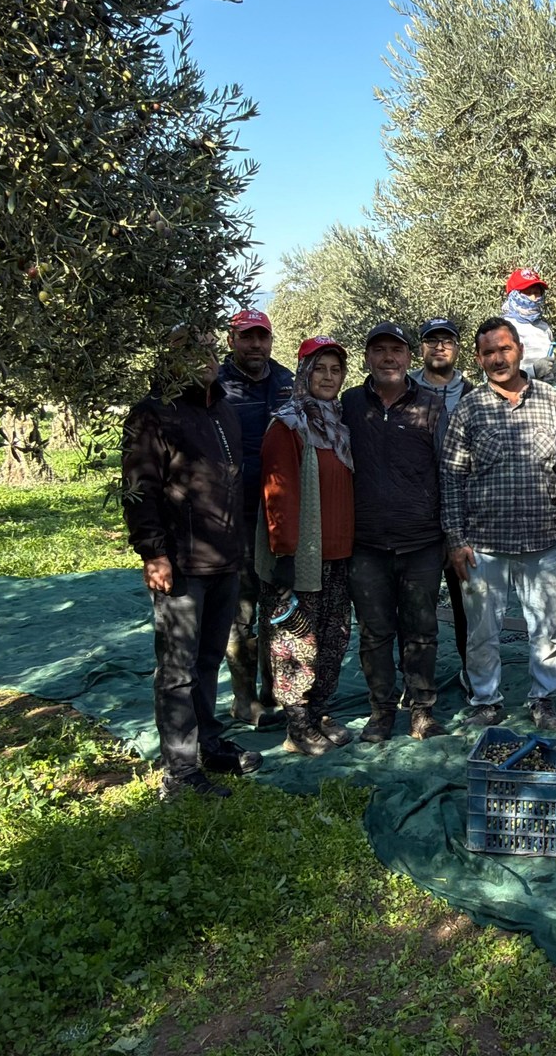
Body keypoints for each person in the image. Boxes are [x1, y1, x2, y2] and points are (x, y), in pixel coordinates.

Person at [121, 325, 265, 800]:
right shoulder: (153, 413)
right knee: (178, 668)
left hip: (225, 558)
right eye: (189, 349)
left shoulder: (221, 407)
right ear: (168, 354)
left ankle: (208, 743)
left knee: (207, 660)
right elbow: (139, 491)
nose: (201, 358)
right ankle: (179, 773)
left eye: (206, 348)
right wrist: (153, 553)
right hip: (180, 563)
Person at [441, 317, 556, 731]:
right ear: (479, 359)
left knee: (547, 630)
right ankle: (486, 700)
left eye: (504, 349)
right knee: (482, 634)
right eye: (488, 352)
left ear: (519, 350)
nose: (498, 358)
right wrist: (456, 540)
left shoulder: (551, 400)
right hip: (484, 545)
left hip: (543, 541)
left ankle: (543, 698)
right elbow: (450, 477)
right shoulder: (469, 407)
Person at [342, 322, 448, 743]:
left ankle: (421, 710)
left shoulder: (432, 406)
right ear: (368, 357)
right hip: (365, 543)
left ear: (409, 357)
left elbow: (449, 472)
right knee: (374, 632)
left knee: (421, 630)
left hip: (422, 541)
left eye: (397, 351)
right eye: (380, 350)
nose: (389, 358)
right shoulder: (348, 405)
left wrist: (450, 534)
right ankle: (381, 711)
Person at [258, 336, 357, 756]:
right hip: (299, 559)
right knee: (296, 642)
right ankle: (296, 726)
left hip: (337, 555)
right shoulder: (288, 425)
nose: (329, 378)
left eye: (336, 370)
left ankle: (318, 712)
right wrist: (284, 556)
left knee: (333, 636)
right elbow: (277, 495)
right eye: (320, 369)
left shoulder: (337, 425)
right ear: (303, 374)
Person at [219, 308, 296, 729]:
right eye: (246, 337)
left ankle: (274, 690)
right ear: (232, 341)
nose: (255, 345)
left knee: (279, 606)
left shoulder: (287, 382)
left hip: (280, 512)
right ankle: (243, 698)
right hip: (235, 515)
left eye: (261, 337)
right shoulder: (216, 383)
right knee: (242, 610)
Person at [412, 316, 476, 668]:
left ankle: (472, 676)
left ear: (456, 347)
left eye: (446, 340)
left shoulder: (473, 395)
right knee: (416, 607)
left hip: (463, 518)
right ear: (420, 347)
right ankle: (417, 685)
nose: (439, 347)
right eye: (431, 340)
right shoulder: (404, 390)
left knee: (468, 602)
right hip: (417, 516)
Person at [499, 268, 556, 394]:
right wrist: (533, 371)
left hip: (547, 398)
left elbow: (553, 363)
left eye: (537, 293)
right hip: (516, 398)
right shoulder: (502, 328)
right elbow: (494, 373)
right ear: (514, 294)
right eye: (527, 293)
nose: (533, 298)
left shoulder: (544, 328)